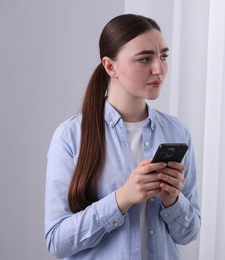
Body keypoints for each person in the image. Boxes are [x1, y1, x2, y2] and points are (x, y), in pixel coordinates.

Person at [44, 14, 201, 260]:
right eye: (145, 59)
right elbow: (57, 242)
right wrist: (122, 198)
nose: (159, 68)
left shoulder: (177, 132)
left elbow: (188, 234)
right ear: (110, 66)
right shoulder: (71, 136)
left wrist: (173, 200)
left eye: (164, 56)